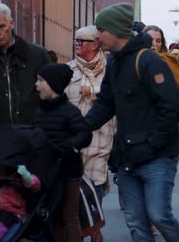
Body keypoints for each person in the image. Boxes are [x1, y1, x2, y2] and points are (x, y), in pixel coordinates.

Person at [84, 3, 179, 242]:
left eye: (101, 29)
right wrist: (80, 127)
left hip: (157, 156)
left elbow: (172, 108)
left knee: (159, 215)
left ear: (116, 30)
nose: (97, 34)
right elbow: (105, 103)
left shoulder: (149, 61)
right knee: (136, 223)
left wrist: (152, 144)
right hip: (127, 156)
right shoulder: (115, 62)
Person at [65, 25, 115, 242]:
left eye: (82, 41)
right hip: (75, 138)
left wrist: (93, 94)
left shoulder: (111, 70)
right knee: (76, 187)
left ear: (95, 44)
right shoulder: (68, 71)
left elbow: (115, 100)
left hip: (102, 136)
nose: (77, 45)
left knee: (95, 184)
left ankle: (94, 229)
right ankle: (84, 231)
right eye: (76, 41)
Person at [34, 63, 92, 242]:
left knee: (70, 217)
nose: (36, 84)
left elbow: (85, 134)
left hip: (69, 173)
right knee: (54, 216)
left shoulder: (70, 111)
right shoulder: (38, 111)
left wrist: (69, 146)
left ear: (53, 84)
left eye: (40, 80)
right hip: (48, 173)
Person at [0, 3, 51, 126]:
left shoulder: (37, 55)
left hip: (32, 135)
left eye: (1, 27)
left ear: (11, 24)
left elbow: (54, 96)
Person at [0, 165, 40, 242]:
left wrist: (27, 177)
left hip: (13, 213)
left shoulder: (17, 177)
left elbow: (36, 187)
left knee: (1, 223)